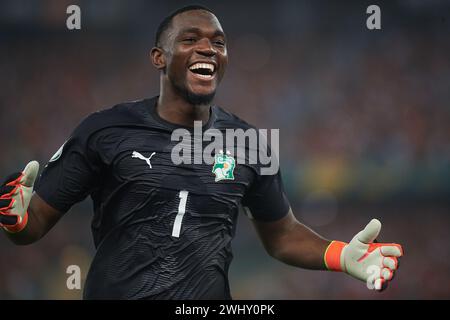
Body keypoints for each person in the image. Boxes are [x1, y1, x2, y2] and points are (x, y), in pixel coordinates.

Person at [0, 5, 402, 299]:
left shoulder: (248, 143)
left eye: (219, 43)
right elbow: (33, 226)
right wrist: (16, 218)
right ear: (159, 57)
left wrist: (339, 255)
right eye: (190, 39)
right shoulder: (104, 131)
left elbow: (282, 235)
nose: (208, 48)